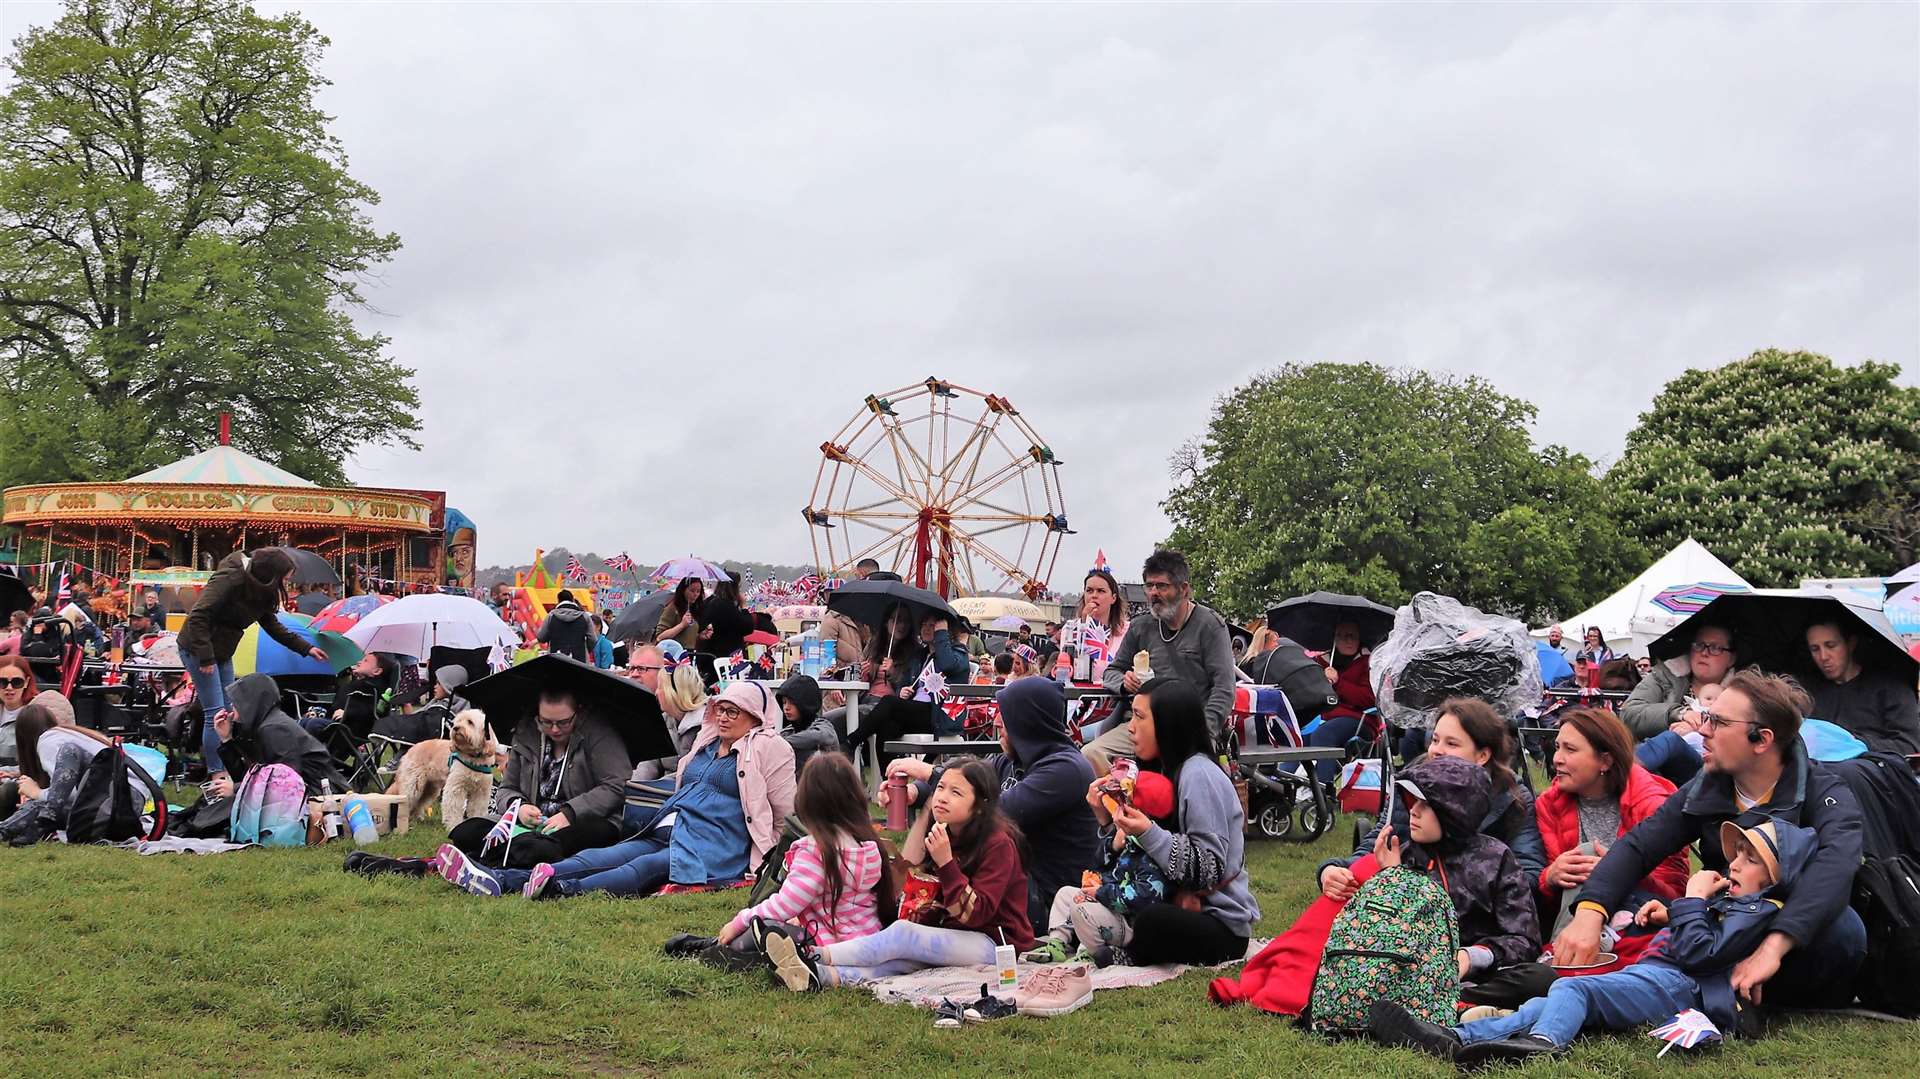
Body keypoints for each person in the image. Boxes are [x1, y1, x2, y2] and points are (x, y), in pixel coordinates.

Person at [1375, 817, 1817, 1065]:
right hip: (1658, 977)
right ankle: (1454, 1035)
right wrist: (1674, 911)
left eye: (1751, 858)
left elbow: (1702, 954)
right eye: (1737, 852)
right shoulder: (1737, 906)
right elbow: (1706, 935)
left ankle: (1543, 1045)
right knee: (1537, 1005)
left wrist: (1692, 899)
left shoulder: (1760, 910)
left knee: (1570, 986)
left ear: (1777, 877)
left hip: (1678, 989)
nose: (1736, 863)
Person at [1552, 670, 1867, 1010]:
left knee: (1842, 929)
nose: (1702, 730)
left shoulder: (1825, 790)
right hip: (1722, 924)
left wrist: (1772, 948)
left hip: (1784, 928)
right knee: (1628, 905)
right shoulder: (1709, 784)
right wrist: (1589, 912)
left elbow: (1837, 866)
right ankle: (1689, 977)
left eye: (1718, 722)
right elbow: (1639, 846)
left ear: (1761, 740)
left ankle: (1694, 980)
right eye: (1706, 718)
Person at [451, 681, 793, 899]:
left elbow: (785, 811)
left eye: (734, 712)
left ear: (756, 716)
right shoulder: (706, 744)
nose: (723, 718)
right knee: (604, 856)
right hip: (671, 824)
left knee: (641, 868)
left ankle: (557, 888)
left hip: (712, 842)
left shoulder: (768, 748)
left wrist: (769, 860)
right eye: (721, 709)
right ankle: (501, 879)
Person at [764, 758, 1031, 990]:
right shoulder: (945, 831)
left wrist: (946, 863)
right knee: (900, 962)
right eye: (940, 788)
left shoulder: (998, 844)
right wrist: (926, 816)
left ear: (981, 805)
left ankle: (812, 955)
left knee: (902, 934)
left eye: (956, 792)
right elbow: (910, 868)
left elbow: (976, 914)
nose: (942, 797)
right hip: (954, 934)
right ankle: (822, 976)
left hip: (996, 944)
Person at [886, 677, 1098, 931]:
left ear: (1027, 721)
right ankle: (909, 901)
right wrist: (914, 792)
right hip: (1008, 882)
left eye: (1004, 715)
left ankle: (909, 902)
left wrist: (931, 776)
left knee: (949, 816)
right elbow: (967, 779)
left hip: (1048, 902)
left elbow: (993, 812)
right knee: (937, 805)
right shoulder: (1009, 761)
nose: (996, 722)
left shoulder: (1066, 769)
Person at [1086, 678, 1258, 967]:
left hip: (1215, 922)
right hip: (1167, 898)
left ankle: (1129, 951)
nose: (1130, 727)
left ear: (1169, 723)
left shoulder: (1199, 775)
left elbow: (1208, 871)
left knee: (1152, 921)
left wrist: (1148, 832)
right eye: (1131, 716)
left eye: (1140, 717)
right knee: (1093, 893)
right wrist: (1106, 822)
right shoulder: (1159, 772)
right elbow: (1128, 863)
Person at [1322, 698, 1547, 895]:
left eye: (1451, 743)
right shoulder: (1412, 784)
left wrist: (1429, 886)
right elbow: (1379, 843)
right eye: (1435, 740)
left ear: (1483, 755)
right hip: (1408, 899)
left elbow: (1529, 873)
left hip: (1478, 916)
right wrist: (1333, 869)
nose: (1436, 750)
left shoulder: (1512, 797)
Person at [177, 549, 329, 790]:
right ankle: (217, 775)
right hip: (198, 648)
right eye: (285, 578)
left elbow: (272, 624)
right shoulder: (230, 579)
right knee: (214, 712)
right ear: (271, 574)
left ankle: (231, 766)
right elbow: (198, 616)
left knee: (229, 711)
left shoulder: (263, 592)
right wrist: (205, 658)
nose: (287, 584)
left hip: (223, 650)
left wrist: (305, 648)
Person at [714, 753, 895, 953]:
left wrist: (740, 921)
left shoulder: (816, 851)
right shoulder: (869, 847)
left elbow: (783, 906)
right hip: (869, 939)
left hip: (831, 947)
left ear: (806, 802)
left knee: (753, 936)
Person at [440, 687, 630, 870]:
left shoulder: (600, 735)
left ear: (577, 712)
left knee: (544, 848)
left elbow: (616, 786)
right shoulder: (526, 733)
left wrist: (570, 814)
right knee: (465, 833)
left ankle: (493, 856)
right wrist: (519, 807)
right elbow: (507, 788)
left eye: (563, 722)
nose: (555, 730)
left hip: (585, 821)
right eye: (546, 722)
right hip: (532, 823)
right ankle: (511, 854)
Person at [1532, 708, 1687, 932]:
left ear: (1605, 761)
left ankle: (1567, 957)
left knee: (1590, 855)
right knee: (1583, 860)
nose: (1557, 759)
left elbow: (1674, 895)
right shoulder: (1549, 804)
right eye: (1557, 747)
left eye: (1570, 750)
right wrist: (1550, 876)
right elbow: (1540, 885)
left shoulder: (1654, 805)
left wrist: (1619, 873)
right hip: (1569, 916)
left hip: (1640, 922)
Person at [1089, 550, 1239, 772]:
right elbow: (1112, 671)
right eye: (1149, 586)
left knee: (1181, 776)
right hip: (1143, 724)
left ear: (1184, 589)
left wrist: (1203, 733)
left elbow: (1224, 688)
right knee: (1091, 755)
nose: (1153, 593)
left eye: (1162, 586)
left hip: (1190, 727)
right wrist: (1124, 682)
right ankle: (1117, 806)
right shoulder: (1141, 626)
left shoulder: (1210, 625)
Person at [1025, 768, 1177, 963]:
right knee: (1065, 894)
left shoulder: (1154, 853)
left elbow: (1143, 897)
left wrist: (1101, 893)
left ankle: (1090, 952)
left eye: (1127, 806)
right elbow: (1101, 865)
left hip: (1129, 923)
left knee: (1083, 910)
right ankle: (1057, 942)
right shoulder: (1128, 840)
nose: (1119, 812)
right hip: (1108, 905)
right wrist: (1113, 847)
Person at [0, 695, 153, 844]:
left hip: (118, 802)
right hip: (126, 805)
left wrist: (37, 793)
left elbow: (67, 794)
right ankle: (33, 825)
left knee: (38, 804)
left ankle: (12, 829)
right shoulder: (70, 735)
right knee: (40, 804)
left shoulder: (49, 740)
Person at [1625, 622, 1738, 786]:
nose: (1704, 653)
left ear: (1731, 658)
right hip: (1655, 773)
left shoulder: (1743, 691)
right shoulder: (1663, 676)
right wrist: (1678, 713)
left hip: (1715, 773)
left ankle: (1618, 776)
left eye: (1715, 648)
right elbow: (1629, 713)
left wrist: (1700, 729)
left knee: (1671, 740)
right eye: (1699, 645)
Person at [861, 604, 969, 763]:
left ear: (944, 629)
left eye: (932, 625)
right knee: (887, 727)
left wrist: (941, 635)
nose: (926, 628)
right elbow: (903, 684)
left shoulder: (958, 654)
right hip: (915, 712)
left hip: (937, 715)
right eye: (924, 624)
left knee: (888, 701)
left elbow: (947, 664)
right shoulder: (919, 656)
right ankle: (890, 781)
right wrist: (901, 691)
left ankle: (852, 741)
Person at [215, 673, 352, 796]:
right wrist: (226, 739)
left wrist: (236, 789)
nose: (232, 706)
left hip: (318, 796)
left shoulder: (275, 729)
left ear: (250, 703)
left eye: (237, 701)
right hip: (298, 796)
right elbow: (246, 776)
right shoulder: (261, 725)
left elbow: (286, 782)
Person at [1803, 619, 1920, 755]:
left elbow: (1909, 743)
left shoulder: (1890, 688)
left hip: (1872, 768)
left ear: (1851, 644)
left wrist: (1856, 744)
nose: (1823, 657)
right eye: (1815, 649)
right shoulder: (1809, 692)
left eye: (1831, 646)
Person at [1303, 620, 1377, 783]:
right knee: (1299, 737)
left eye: (1353, 636)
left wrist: (1339, 682)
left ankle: (1323, 792)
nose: (1349, 641)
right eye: (1343, 636)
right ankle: (1281, 787)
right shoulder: (1322, 662)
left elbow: (1368, 699)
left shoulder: (1369, 663)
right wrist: (1320, 681)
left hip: (1360, 720)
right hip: (1324, 718)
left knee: (1323, 734)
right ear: (1334, 639)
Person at [631, 651, 709, 782]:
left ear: (673, 692)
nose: (656, 692)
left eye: (660, 687)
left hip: (687, 793)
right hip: (661, 791)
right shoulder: (663, 720)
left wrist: (655, 786)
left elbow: (692, 774)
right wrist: (633, 787)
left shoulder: (705, 725)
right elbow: (649, 764)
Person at [776, 673, 838, 774]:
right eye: (784, 702)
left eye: (791, 702)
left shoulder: (824, 727)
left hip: (827, 784)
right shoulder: (787, 733)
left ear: (805, 703)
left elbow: (817, 737)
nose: (786, 707)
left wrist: (778, 743)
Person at [328, 652, 396, 739]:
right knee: (308, 722)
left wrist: (348, 713)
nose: (359, 662)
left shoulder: (375, 689)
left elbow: (372, 710)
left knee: (313, 725)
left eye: (366, 661)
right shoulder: (357, 684)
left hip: (350, 727)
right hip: (337, 722)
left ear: (377, 671)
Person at [698, 574, 754, 675]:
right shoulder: (726, 606)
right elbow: (748, 626)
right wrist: (744, 607)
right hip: (725, 659)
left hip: (707, 656)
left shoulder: (708, 602)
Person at [536, 589, 591, 663]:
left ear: (558, 601)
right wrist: (586, 649)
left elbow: (541, 637)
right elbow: (593, 639)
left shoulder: (551, 616)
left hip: (555, 659)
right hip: (579, 660)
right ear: (572, 600)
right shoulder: (584, 616)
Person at [655, 577, 705, 653]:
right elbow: (660, 636)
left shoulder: (694, 609)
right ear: (683, 590)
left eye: (698, 591)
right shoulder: (673, 608)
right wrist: (681, 625)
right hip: (672, 655)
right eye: (692, 590)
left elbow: (687, 638)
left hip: (689, 653)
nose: (695, 594)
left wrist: (700, 636)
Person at [816, 604, 868, 676]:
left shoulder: (863, 620)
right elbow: (826, 656)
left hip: (861, 677)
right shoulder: (832, 619)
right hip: (840, 679)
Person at [0, 654, 33, 763]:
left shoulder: (36, 715)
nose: (9, 688)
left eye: (17, 682)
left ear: (26, 682)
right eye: (2, 682)